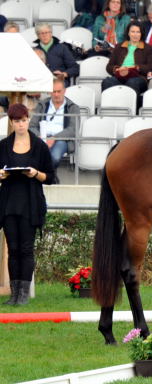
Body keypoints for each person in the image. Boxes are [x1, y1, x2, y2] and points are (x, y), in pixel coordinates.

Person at [0, 104, 55, 306]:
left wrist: (35, 173)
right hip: (8, 204)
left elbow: (50, 177)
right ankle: (14, 294)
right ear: (11, 122)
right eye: (17, 121)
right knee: (13, 250)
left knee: (26, 249)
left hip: (30, 205)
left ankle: (23, 294)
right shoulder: (3, 145)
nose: (21, 124)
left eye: (23, 120)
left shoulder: (39, 145)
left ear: (28, 119)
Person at [29, 79, 80, 173]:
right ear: (49, 92)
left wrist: (54, 138)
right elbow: (32, 126)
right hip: (41, 137)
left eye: (59, 91)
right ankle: (50, 177)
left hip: (62, 139)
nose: (56, 94)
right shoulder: (42, 105)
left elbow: (73, 129)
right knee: (31, 156)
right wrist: (39, 136)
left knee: (54, 157)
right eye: (53, 91)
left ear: (64, 91)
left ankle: (47, 177)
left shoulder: (73, 107)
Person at [102, 21, 152, 101]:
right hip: (120, 75)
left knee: (132, 82)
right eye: (132, 32)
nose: (135, 34)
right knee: (107, 82)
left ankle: (131, 110)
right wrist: (117, 69)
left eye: (138, 32)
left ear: (141, 34)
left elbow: (151, 67)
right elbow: (109, 67)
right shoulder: (119, 46)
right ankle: (109, 108)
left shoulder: (148, 48)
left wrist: (136, 67)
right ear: (128, 33)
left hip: (138, 77)